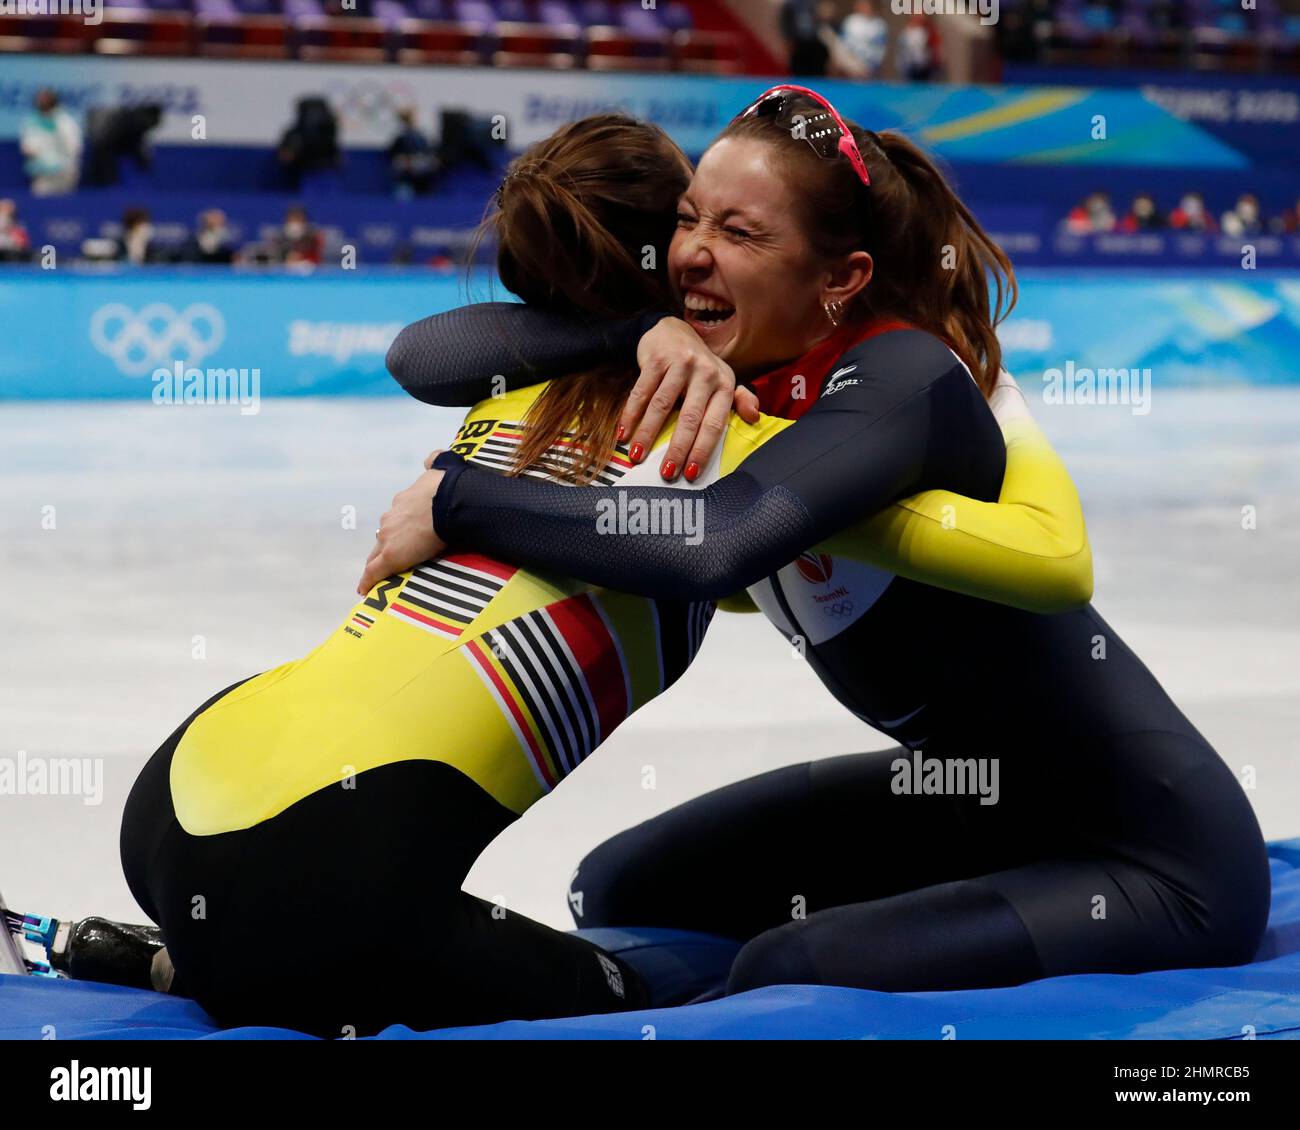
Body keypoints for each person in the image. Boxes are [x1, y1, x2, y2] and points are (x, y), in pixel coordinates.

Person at [108, 113, 1090, 1036]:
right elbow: (733, 539)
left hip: (182, 787)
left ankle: (200, 953)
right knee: (652, 996)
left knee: (321, 921)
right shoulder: (729, 430)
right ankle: (241, 953)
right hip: (319, 874)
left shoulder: (510, 379)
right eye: (694, 221)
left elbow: (418, 352)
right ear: (673, 257)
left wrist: (495, 460)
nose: (709, 247)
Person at [376, 88, 1270, 998]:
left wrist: (464, 503)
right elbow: (423, 356)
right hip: (975, 797)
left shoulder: (900, 378)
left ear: (838, 278)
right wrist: (641, 327)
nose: (692, 254)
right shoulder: (724, 355)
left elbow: (714, 543)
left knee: (787, 966)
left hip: (1159, 864)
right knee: (616, 885)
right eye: (689, 220)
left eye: (740, 232)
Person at [20, 89, 82, 196]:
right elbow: (27, 146)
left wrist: (64, 165)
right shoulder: (32, 122)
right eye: (40, 99)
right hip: (42, 174)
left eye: (45, 99)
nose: (41, 102)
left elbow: (75, 147)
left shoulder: (65, 121)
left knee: (64, 205)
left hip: (65, 173)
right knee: (40, 199)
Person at [840, 0, 889, 77]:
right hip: (851, 66)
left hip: (870, 68)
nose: (864, 7)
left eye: (866, 5)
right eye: (861, 5)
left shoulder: (879, 24)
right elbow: (844, 46)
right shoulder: (850, 21)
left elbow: (880, 50)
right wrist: (850, 66)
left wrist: (872, 67)